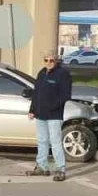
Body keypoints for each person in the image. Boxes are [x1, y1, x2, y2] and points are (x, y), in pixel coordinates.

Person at [27, 50, 72, 181]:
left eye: (51, 60)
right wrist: (32, 110)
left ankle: (60, 169)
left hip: (54, 115)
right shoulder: (42, 73)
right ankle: (42, 167)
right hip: (40, 114)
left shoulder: (63, 74)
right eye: (46, 60)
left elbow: (65, 95)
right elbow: (36, 93)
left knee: (55, 142)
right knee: (42, 141)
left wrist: (52, 106)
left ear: (56, 60)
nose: (48, 63)